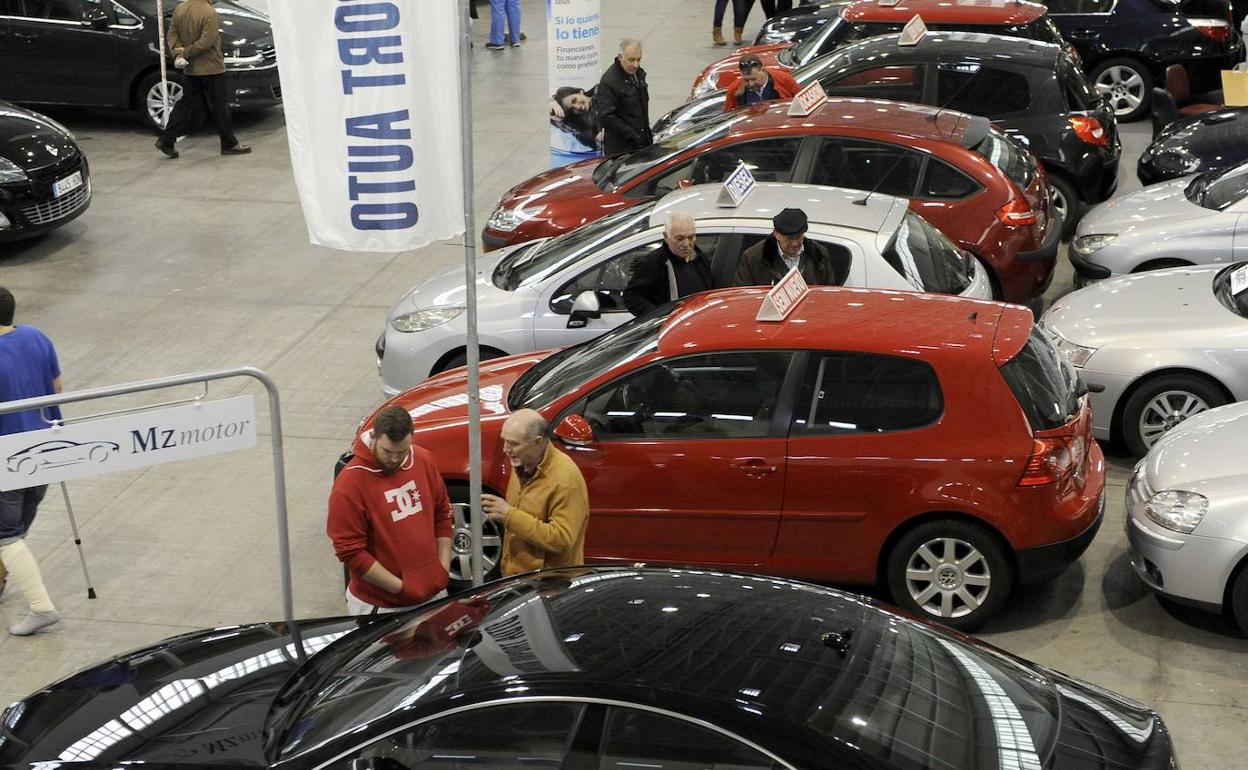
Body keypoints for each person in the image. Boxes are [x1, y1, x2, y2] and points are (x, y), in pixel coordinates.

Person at [327, 405, 453, 616]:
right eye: (387, 451)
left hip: (433, 595)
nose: (394, 459)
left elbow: (442, 513)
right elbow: (351, 552)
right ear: (374, 437)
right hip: (381, 607)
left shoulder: (422, 460)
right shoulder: (349, 484)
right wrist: (401, 588)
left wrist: (442, 569)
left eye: (402, 452)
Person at [0, 287, 62, 636]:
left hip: (7, 458)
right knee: (15, 532)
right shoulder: (37, 336)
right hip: (47, 450)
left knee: (6, 535)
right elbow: (56, 387)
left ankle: (42, 607)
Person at [481, 409, 589, 577]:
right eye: (505, 441)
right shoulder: (523, 463)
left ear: (538, 442)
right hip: (519, 579)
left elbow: (562, 539)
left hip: (550, 586)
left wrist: (509, 516)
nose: (505, 449)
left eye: (514, 444)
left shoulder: (566, 479)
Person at [154, 0, 251, 159]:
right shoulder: (208, 12)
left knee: (186, 105)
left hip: (191, 69)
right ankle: (229, 144)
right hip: (212, 67)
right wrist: (186, 51)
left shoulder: (180, 9)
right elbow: (208, 41)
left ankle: (166, 139)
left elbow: (172, 33)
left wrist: (179, 54)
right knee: (220, 106)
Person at [623, 212, 715, 316]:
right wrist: (660, 317)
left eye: (691, 237)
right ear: (666, 237)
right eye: (679, 239)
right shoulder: (654, 263)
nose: (686, 244)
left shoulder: (699, 257)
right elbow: (630, 297)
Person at [734, 207, 847, 286]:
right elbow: (742, 294)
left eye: (798, 237)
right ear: (776, 234)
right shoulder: (753, 258)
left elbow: (828, 291)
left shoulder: (818, 254)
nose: (794, 243)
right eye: (789, 238)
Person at [596, 39, 651, 156]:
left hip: (640, 143)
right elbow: (606, 117)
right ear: (620, 57)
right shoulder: (610, 81)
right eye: (631, 60)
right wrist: (632, 135)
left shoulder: (638, 74)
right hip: (622, 150)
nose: (636, 64)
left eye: (639, 59)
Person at [722, 55, 802, 111]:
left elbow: (802, 104)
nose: (751, 84)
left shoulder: (784, 80)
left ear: (763, 70)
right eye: (746, 80)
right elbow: (729, 117)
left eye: (754, 79)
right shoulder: (734, 90)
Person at [550, 87, 602, 152]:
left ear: (580, 91)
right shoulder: (584, 130)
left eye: (574, 100)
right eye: (572, 109)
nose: (577, 107)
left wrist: (551, 100)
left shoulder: (601, 89)